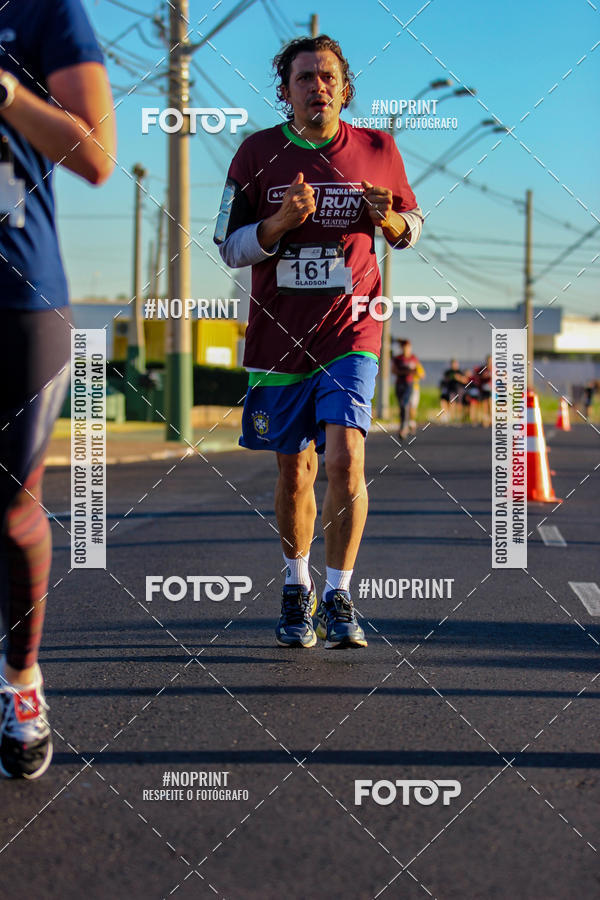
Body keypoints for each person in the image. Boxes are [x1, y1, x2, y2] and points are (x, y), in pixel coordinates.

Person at [214, 35, 422, 649]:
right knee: (296, 470)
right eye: (304, 77)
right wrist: (277, 225)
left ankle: (339, 593)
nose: (317, 86)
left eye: (327, 76)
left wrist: (388, 220)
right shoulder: (255, 154)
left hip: (352, 327)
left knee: (344, 460)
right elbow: (227, 245)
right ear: (285, 91)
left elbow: (410, 227)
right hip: (278, 334)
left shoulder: (380, 149)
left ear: (345, 87)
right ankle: (295, 584)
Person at [0, 0, 115, 778]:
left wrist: (7, 95)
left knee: (10, 510)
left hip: (18, 296)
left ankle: (21, 682)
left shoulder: (44, 10)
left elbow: (99, 157)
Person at [391, 339, 421, 439]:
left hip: (409, 384)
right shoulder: (398, 358)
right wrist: (405, 372)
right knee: (401, 406)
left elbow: (418, 371)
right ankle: (404, 425)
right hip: (399, 384)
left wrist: (413, 372)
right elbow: (394, 371)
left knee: (405, 404)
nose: (406, 349)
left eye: (408, 347)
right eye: (404, 347)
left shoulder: (413, 358)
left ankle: (404, 428)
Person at [439, 359, 467, 423]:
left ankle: (459, 418)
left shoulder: (460, 372)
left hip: (459, 390)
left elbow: (465, 380)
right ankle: (453, 418)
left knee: (459, 404)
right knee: (452, 403)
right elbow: (444, 380)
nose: (454, 365)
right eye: (453, 364)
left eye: (456, 364)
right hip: (451, 390)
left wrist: (458, 378)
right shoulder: (448, 372)